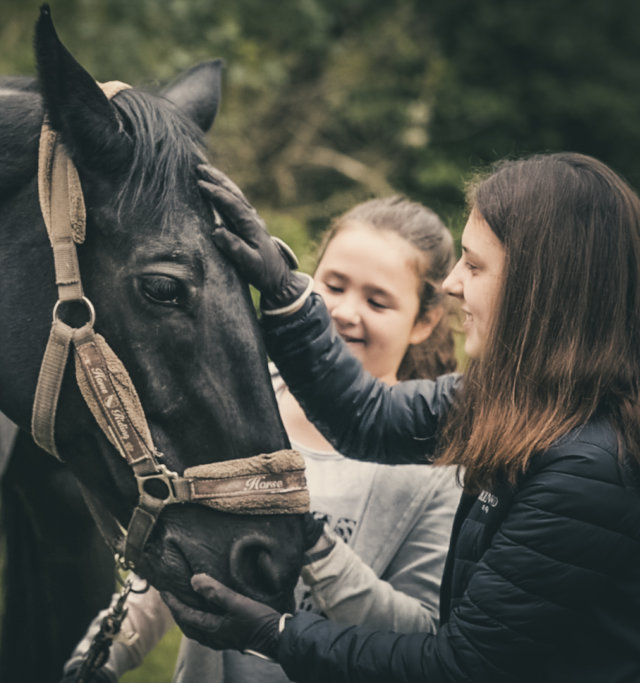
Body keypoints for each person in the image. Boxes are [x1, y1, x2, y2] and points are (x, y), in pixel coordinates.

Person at [163, 155, 640, 682]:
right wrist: (283, 294)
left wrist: (274, 634)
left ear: (544, 291)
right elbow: (367, 416)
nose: (454, 283)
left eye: (476, 266)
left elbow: (457, 666)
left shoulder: (590, 470)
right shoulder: (519, 402)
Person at [62, 196, 462, 682]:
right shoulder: (244, 402)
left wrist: (309, 538)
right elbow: (180, 558)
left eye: (377, 301)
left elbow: (422, 638)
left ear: (424, 321)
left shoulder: (438, 464)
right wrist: (104, 655)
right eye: (333, 285)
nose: (344, 312)